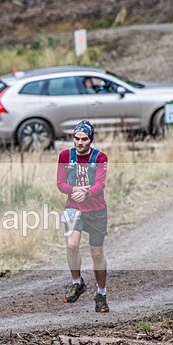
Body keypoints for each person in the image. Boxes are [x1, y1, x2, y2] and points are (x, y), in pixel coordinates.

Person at [56, 120, 110, 313]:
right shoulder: (65, 156)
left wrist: (86, 193)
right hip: (73, 208)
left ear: (90, 140)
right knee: (71, 244)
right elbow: (60, 184)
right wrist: (73, 190)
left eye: (84, 139)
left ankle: (101, 293)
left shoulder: (99, 157)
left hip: (96, 210)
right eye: (76, 138)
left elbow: (100, 184)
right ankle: (77, 282)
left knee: (96, 253)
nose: (79, 143)